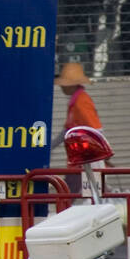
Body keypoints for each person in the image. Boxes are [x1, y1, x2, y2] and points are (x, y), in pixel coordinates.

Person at [51, 61, 112, 193]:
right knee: (80, 194)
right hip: (78, 160)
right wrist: (51, 146)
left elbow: (96, 129)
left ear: (72, 85)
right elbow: (67, 130)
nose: (62, 87)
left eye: (64, 84)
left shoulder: (81, 102)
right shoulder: (74, 102)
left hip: (87, 160)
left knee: (75, 195)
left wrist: (104, 151)